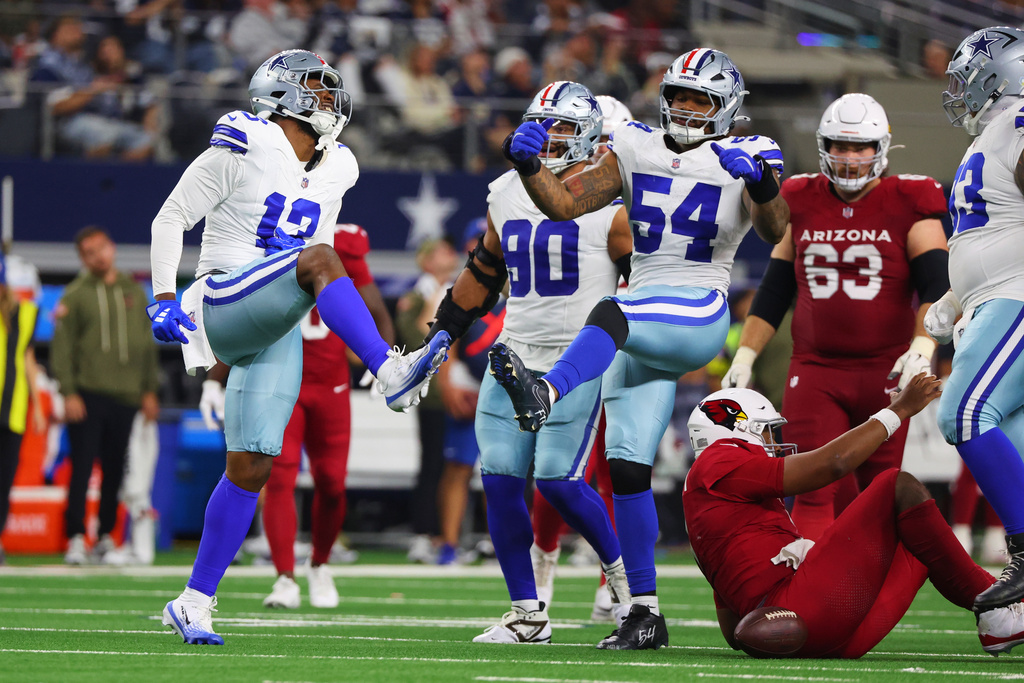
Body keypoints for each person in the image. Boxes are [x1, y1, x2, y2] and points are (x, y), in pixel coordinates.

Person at [440, 49, 790, 649]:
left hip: (697, 307)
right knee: (627, 468)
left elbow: (775, 228)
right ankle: (643, 612)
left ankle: (546, 389)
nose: (685, 107)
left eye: (699, 99)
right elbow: (566, 203)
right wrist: (529, 168)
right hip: (640, 325)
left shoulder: (751, 153)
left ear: (726, 105)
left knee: (611, 311)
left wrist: (760, 181)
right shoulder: (631, 145)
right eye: (678, 95)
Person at [148, 49, 451, 645]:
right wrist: (162, 293)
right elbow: (171, 217)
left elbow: (317, 270)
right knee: (319, 258)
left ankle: (193, 600)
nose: (330, 97)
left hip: (276, 318)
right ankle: (390, 371)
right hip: (222, 297)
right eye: (316, 87)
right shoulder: (246, 140)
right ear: (282, 95)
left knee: (252, 464)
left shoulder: (340, 165)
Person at [429, 80, 634, 644]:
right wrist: (441, 335)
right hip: (514, 352)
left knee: (560, 483)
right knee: (496, 478)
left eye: (562, 127)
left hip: (574, 362)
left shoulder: (611, 208)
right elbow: (484, 273)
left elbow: (641, 289)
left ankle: (627, 589)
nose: (549, 137)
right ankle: (527, 612)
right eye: (542, 125)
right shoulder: (503, 191)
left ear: (589, 135)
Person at [720, 93, 950, 540]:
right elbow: (775, 290)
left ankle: (869, 602)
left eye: (859, 147)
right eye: (839, 146)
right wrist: (745, 356)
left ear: (881, 147)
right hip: (816, 368)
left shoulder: (912, 197)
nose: (848, 158)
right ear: (824, 145)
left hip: (887, 367)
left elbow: (936, 286)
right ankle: (807, 600)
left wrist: (922, 348)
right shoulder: (800, 196)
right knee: (812, 489)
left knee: (879, 492)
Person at [682, 378, 1024, 658]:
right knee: (896, 485)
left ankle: (999, 611)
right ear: (734, 427)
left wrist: (767, 628)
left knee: (918, 537)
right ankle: (997, 609)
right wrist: (897, 411)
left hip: (815, 632)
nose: (774, 441)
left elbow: (732, 631)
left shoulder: (705, 499)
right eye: (767, 431)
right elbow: (834, 463)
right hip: (800, 610)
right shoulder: (717, 461)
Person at [929, 26, 1024, 613]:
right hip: (992, 301)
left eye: (968, 77)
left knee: (963, 411)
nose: (960, 91)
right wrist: (951, 300)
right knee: (1012, 446)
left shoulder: (1017, 122)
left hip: (1016, 297)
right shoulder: (992, 134)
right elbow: (987, 230)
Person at [529, 94, 631, 621]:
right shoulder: (549, 194)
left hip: (617, 343)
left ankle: (608, 581)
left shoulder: (627, 199)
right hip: (565, 340)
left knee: (616, 468)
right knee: (558, 468)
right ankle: (543, 560)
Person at [262, 222, 395, 608]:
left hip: (331, 386)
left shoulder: (346, 238)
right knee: (280, 476)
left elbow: (375, 307)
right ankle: (284, 577)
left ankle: (319, 563)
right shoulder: (275, 227)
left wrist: (381, 360)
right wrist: (216, 379)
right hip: (284, 379)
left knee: (332, 483)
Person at [51, 227, 160, 565]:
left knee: (116, 470)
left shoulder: (135, 291)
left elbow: (146, 346)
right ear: (83, 258)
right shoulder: (75, 294)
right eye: (89, 252)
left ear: (111, 247)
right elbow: (62, 348)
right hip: (88, 394)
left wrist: (149, 390)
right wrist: (68, 391)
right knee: (82, 469)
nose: (98, 255)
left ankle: (105, 537)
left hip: (127, 395)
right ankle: (75, 537)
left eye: (101, 248)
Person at [0, 253, 44, 565]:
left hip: (12, 408)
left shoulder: (26, 313)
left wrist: (38, 405)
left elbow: (26, 358)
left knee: (3, 481)